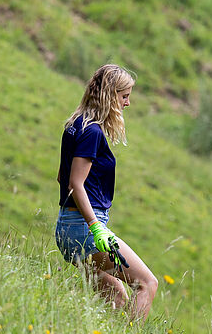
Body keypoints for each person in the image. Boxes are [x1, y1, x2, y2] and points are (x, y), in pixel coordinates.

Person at [55, 64, 159, 320]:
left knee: (116, 296)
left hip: (67, 228)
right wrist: (95, 227)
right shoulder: (92, 132)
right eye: (124, 96)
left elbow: (61, 176)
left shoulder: (75, 124)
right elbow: (74, 183)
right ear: (110, 96)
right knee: (147, 284)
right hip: (86, 231)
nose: (128, 103)